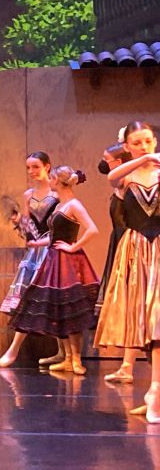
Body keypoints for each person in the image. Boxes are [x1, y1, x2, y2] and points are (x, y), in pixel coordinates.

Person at [0, 166, 100, 374]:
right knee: (60, 307)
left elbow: (92, 229)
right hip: (54, 258)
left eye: (52, 178)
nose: (50, 182)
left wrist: (73, 246)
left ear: (57, 181)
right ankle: (68, 358)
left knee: (72, 308)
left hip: (68, 261)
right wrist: (36, 244)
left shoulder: (74, 205)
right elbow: (53, 235)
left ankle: (76, 360)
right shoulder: (60, 206)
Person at [95, 121, 160, 422]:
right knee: (144, 322)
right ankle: (152, 392)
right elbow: (112, 176)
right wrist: (142, 160)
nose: (145, 147)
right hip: (136, 250)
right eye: (138, 143)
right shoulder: (125, 177)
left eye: (148, 141)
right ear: (128, 147)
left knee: (157, 320)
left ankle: (155, 392)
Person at [0, 151, 65, 366]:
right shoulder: (28, 194)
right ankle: (13, 350)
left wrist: (46, 241)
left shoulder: (57, 193)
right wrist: (20, 222)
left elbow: (63, 223)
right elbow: (30, 226)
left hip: (53, 249)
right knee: (28, 297)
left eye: (35, 166)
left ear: (47, 166)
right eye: (28, 168)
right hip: (36, 252)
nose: (31, 172)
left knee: (53, 299)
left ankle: (63, 352)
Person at [95, 142, 137, 384]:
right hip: (122, 245)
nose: (104, 164)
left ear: (119, 163)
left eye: (107, 159)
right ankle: (127, 366)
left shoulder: (127, 182)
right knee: (133, 307)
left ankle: (128, 366)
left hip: (131, 245)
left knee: (137, 305)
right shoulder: (123, 181)